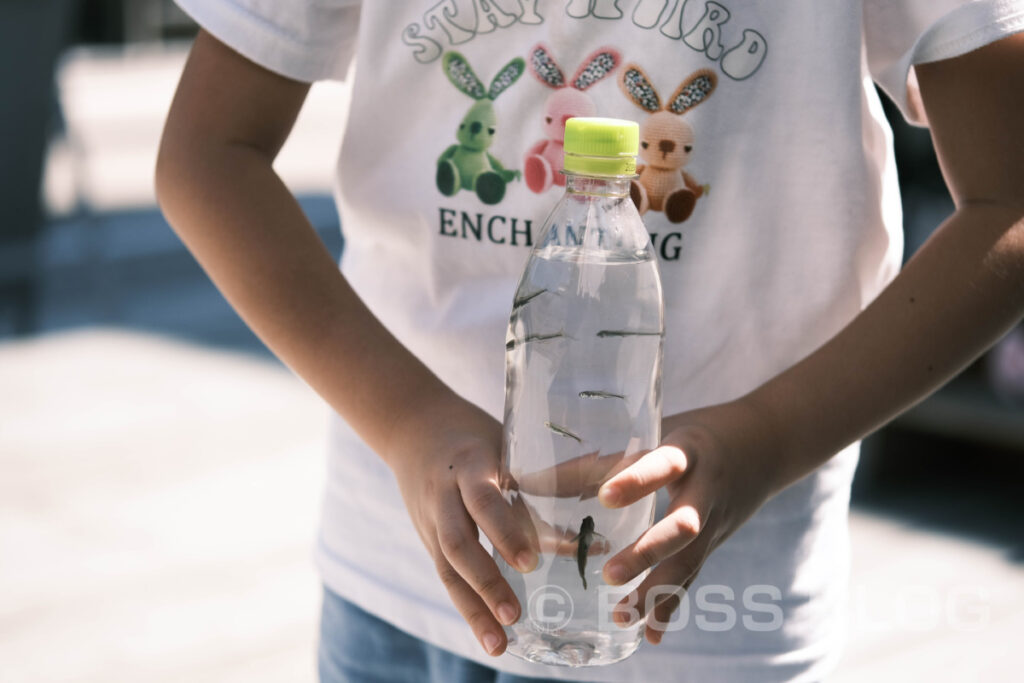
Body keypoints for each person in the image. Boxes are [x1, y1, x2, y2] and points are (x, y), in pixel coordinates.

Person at [155, 1, 1024, 681]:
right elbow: (207, 152)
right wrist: (405, 420)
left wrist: (767, 438)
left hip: (705, 622)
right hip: (395, 574)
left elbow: (1007, 202)